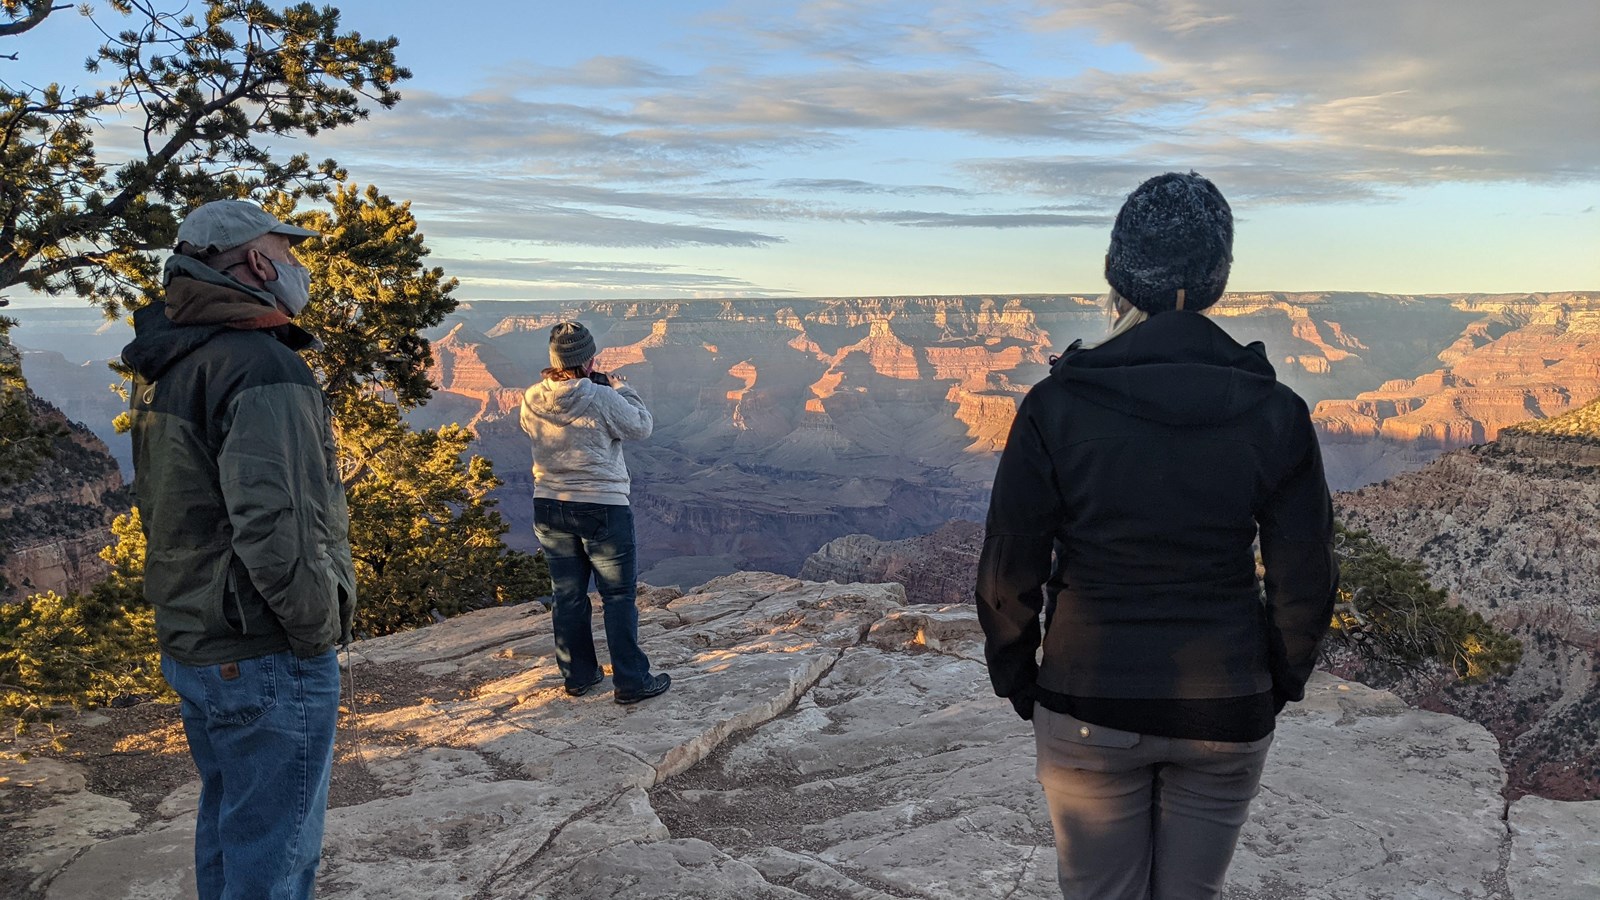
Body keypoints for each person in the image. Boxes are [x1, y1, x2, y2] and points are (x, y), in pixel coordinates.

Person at [975, 172, 1337, 900]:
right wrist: (1274, 684)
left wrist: (1023, 683)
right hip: (1227, 705)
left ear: (1119, 275)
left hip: (1085, 706)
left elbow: (1009, 571)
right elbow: (1306, 580)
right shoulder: (1277, 412)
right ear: (1217, 278)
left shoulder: (1055, 407)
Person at [122, 200, 356, 899]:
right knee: (277, 854)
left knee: (235, 826)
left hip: (202, 635)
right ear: (256, 264)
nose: (296, 266)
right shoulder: (261, 367)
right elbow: (277, 523)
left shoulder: (177, 358)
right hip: (263, 646)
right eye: (286, 253)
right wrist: (316, 635)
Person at [520, 321, 670, 704]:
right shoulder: (600, 395)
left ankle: (578, 677)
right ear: (588, 361)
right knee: (617, 596)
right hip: (602, 504)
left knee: (567, 594)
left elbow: (529, 429)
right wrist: (622, 388)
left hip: (549, 504)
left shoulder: (532, 396)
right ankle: (632, 682)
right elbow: (641, 426)